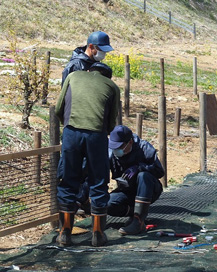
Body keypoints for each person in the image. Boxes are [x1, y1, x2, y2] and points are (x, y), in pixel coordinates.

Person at [55, 62, 120, 247]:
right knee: (98, 181)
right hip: (96, 135)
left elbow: (59, 108)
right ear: (107, 76)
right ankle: (98, 235)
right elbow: (111, 121)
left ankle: (64, 233)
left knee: (68, 180)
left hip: (71, 132)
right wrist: (98, 133)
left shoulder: (73, 76)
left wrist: (69, 127)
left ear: (90, 70)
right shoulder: (112, 86)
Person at [58, 30, 114, 214]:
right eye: (101, 49)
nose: (104, 54)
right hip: (77, 124)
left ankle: (82, 203)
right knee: (74, 172)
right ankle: (75, 209)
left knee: (88, 170)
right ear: (91, 47)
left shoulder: (93, 64)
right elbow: (65, 98)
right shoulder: (76, 66)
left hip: (87, 126)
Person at [107, 125, 164, 235]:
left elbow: (160, 172)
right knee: (107, 203)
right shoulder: (111, 153)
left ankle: (138, 222)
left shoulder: (144, 148)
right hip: (127, 190)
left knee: (143, 176)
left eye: (120, 147)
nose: (116, 150)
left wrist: (140, 167)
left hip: (148, 190)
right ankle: (136, 213)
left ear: (130, 142)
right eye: (114, 147)